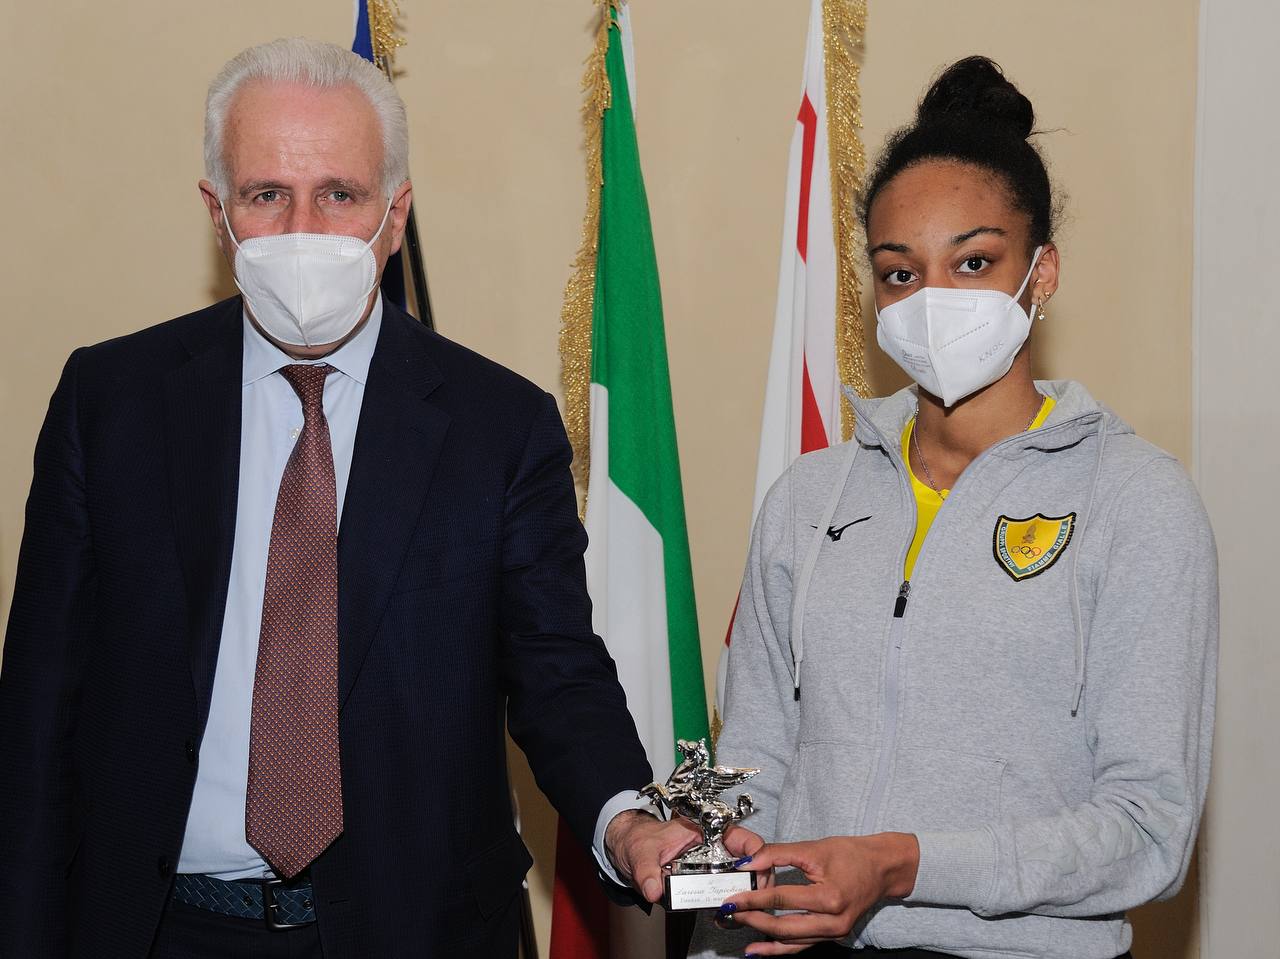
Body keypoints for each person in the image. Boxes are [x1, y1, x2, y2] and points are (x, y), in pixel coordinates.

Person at [0, 38, 698, 959]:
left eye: (339, 194)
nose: (304, 230)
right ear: (217, 213)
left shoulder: (499, 427)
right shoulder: (110, 403)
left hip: (420, 932)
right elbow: (38, 712)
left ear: (395, 214)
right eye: (266, 195)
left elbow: (556, 670)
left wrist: (625, 817)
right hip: (163, 930)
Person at [692, 57, 1217, 959]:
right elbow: (755, 766)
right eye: (900, 273)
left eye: (973, 262)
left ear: (1041, 272)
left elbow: (1148, 828)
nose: (933, 300)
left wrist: (903, 864)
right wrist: (703, 871)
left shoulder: (1136, 501)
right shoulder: (809, 499)